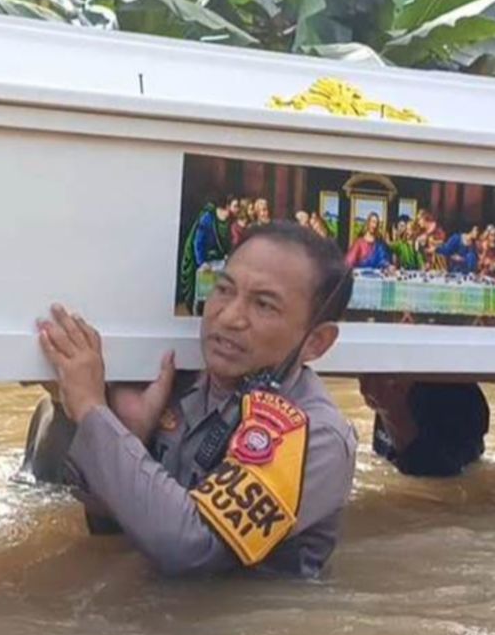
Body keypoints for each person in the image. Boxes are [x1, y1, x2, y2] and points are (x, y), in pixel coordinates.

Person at [37, 222, 357, 576]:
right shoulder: (170, 380)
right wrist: (101, 422)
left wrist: (91, 409)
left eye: (264, 305)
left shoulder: (316, 435)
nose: (229, 317)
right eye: (224, 289)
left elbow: (191, 545)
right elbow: (107, 520)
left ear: (316, 342)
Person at [359, 377, 490, 477]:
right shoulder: (389, 381)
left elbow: (440, 476)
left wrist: (390, 408)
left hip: (446, 483)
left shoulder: (457, 398)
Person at [178, 194, 235, 312]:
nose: (238, 209)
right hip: (204, 260)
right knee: (204, 291)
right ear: (227, 206)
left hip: (220, 260)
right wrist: (202, 262)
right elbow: (199, 242)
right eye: (236, 206)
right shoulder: (208, 218)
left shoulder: (232, 221)